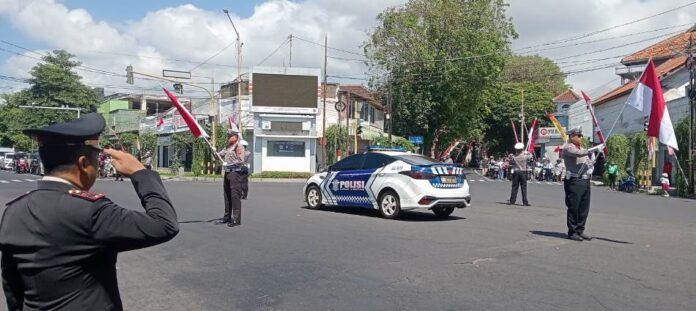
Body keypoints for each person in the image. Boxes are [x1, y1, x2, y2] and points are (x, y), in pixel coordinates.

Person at [0, 113, 178, 310]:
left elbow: (12, 287)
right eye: (96, 160)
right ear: (84, 164)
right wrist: (140, 173)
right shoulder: (90, 211)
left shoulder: (13, 212)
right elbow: (164, 224)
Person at [561, 127, 603, 241]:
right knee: (574, 206)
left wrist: (592, 161)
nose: (581, 138)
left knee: (584, 207)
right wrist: (594, 148)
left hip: (584, 180)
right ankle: (572, 232)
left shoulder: (583, 148)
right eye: (578, 136)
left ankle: (580, 229)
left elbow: (587, 161)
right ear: (571, 136)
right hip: (574, 180)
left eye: (581, 135)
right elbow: (578, 154)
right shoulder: (567, 147)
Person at [215, 127, 247, 227]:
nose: (229, 137)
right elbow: (218, 156)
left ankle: (236, 219)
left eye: (230, 136)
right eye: (228, 136)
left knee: (235, 197)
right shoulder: (228, 146)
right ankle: (226, 217)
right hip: (227, 174)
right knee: (227, 196)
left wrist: (229, 164)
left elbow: (241, 160)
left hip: (235, 174)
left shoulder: (239, 146)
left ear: (236, 136)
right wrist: (214, 151)